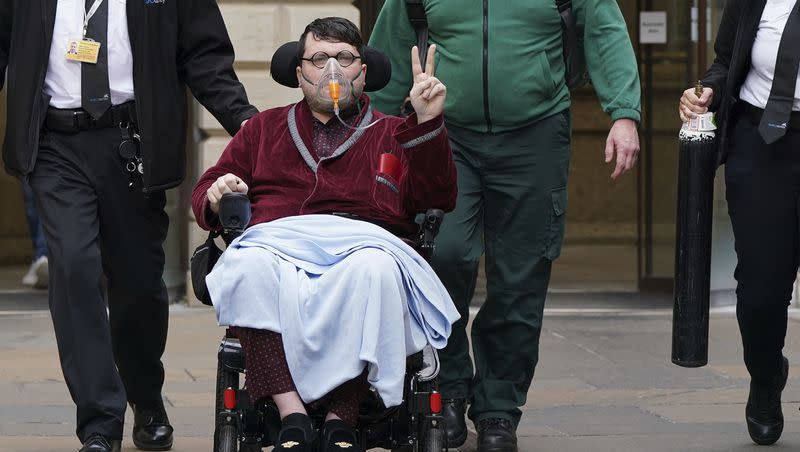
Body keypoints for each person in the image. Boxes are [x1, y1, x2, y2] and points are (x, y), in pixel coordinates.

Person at [369, 2, 641, 451]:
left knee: (520, 276)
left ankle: (499, 408)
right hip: (443, 132)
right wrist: (372, 135)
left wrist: (624, 112)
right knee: (443, 255)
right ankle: (448, 390)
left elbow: (605, 32)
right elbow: (392, 48)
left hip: (536, 134)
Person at [192, 17, 459, 452]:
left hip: (364, 247)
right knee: (244, 264)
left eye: (345, 58)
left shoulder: (394, 132)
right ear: (299, 73)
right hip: (278, 246)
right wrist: (219, 193)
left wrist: (428, 124)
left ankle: (343, 415)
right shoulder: (263, 130)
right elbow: (206, 190)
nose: (332, 69)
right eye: (319, 58)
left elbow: (438, 196)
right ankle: (291, 412)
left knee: (372, 268)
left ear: (363, 70)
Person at [0, 1, 258, 451]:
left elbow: (204, 55)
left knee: (139, 283)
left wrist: (247, 124)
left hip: (132, 143)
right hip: (55, 144)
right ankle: (100, 423)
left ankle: (145, 394)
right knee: (74, 266)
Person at [679, 0, 800, 446]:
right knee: (762, 290)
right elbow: (727, 60)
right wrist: (707, 90)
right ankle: (767, 376)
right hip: (763, 142)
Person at [19, 179, 48, 289]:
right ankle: (39, 258)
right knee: (30, 201)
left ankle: (42, 255)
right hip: (29, 164)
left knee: (45, 199)